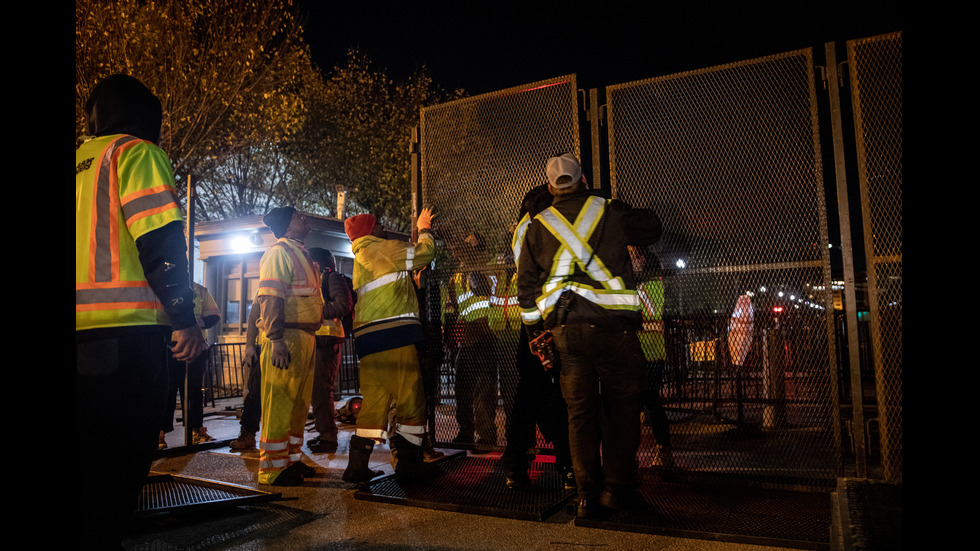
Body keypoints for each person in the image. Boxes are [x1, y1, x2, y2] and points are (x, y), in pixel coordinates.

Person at [76, 74, 208, 549]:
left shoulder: (81, 164)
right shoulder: (134, 154)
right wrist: (185, 320)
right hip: (125, 341)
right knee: (117, 469)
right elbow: (161, 244)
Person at [516, 153, 662, 519]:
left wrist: (537, 333)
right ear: (582, 179)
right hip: (613, 330)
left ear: (550, 186)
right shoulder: (609, 211)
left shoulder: (537, 226)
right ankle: (618, 491)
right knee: (624, 409)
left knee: (579, 415)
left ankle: (587, 498)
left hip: (566, 334)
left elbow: (526, 289)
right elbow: (651, 228)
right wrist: (612, 201)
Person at [342, 208, 438, 482]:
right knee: (411, 400)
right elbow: (425, 253)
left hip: (369, 342)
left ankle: (356, 467)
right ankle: (409, 465)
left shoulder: (363, 256)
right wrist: (424, 229)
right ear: (370, 231)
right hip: (395, 336)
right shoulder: (382, 249)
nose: (384, 228)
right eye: (379, 224)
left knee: (374, 404)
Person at [501, 184, 574, 491]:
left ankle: (517, 463)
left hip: (529, 324)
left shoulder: (522, 229)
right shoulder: (547, 228)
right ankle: (567, 464)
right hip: (553, 320)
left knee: (530, 395)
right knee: (556, 395)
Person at [255, 207, 323, 486]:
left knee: (297, 405)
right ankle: (271, 469)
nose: (304, 218)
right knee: (280, 402)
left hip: (302, 336)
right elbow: (271, 299)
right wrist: (276, 339)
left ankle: (291, 460)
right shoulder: (278, 253)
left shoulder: (298, 253)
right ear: (286, 225)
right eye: (298, 216)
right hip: (287, 337)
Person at [446, 231, 498, 449]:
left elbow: (483, 290)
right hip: (468, 336)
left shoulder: (487, 267)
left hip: (486, 334)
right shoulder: (458, 274)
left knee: (483, 389)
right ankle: (466, 431)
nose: (459, 253)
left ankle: (486, 435)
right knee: (463, 387)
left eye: (466, 248)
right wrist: (450, 336)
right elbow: (453, 305)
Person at [160, 282, 221, 448]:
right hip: (170, 345)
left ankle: (196, 430)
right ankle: (160, 433)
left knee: (193, 390)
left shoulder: (200, 290)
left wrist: (199, 323)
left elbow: (214, 315)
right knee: (168, 390)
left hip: (195, 346)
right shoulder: (165, 284)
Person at [307, 247, 353, 454]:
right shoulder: (315, 281)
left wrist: (309, 313)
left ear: (316, 264)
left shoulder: (332, 279)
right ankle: (324, 434)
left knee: (321, 391)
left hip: (325, 341)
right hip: (315, 340)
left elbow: (343, 305)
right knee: (316, 392)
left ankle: (328, 437)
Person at [631, 246, 675, 468]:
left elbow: (649, 310)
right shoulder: (638, 284)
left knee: (651, 400)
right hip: (638, 351)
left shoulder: (653, 284)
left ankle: (664, 449)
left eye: (635, 256)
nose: (631, 260)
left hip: (652, 351)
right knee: (642, 400)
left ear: (644, 260)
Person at [230, 297, 261, 451]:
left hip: (284, 347)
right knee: (254, 394)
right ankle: (248, 434)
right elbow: (253, 319)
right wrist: (250, 346)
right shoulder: (263, 288)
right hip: (264, 348)